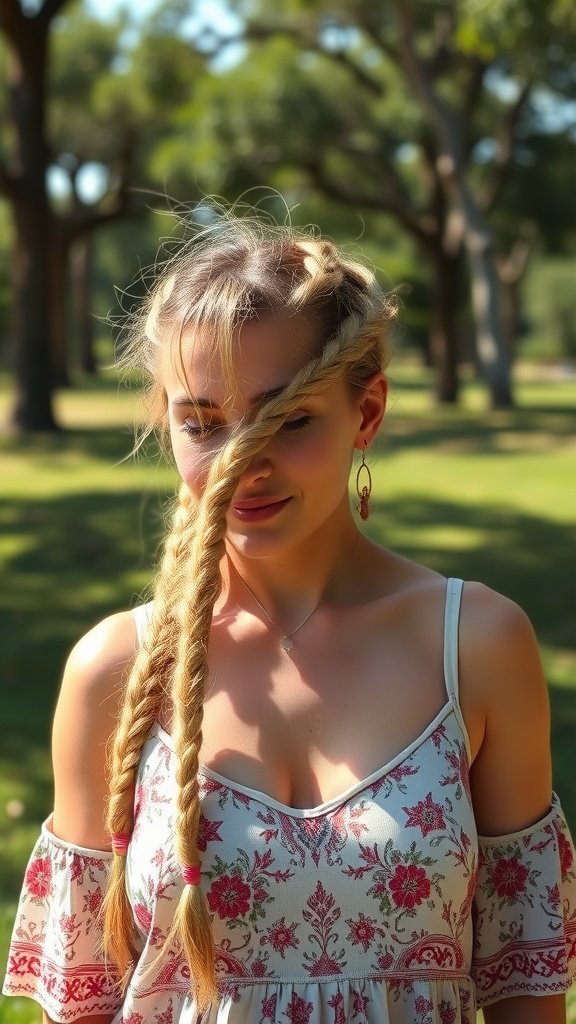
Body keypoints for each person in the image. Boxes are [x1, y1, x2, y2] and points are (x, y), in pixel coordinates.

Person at [3, 209, 576, 1024]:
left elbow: (526, 987)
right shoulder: (116, 671)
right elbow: (85, 1003)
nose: (243, 463)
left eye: (290, 419)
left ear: (367, 412)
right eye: (203, 424)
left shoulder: (475, 645)